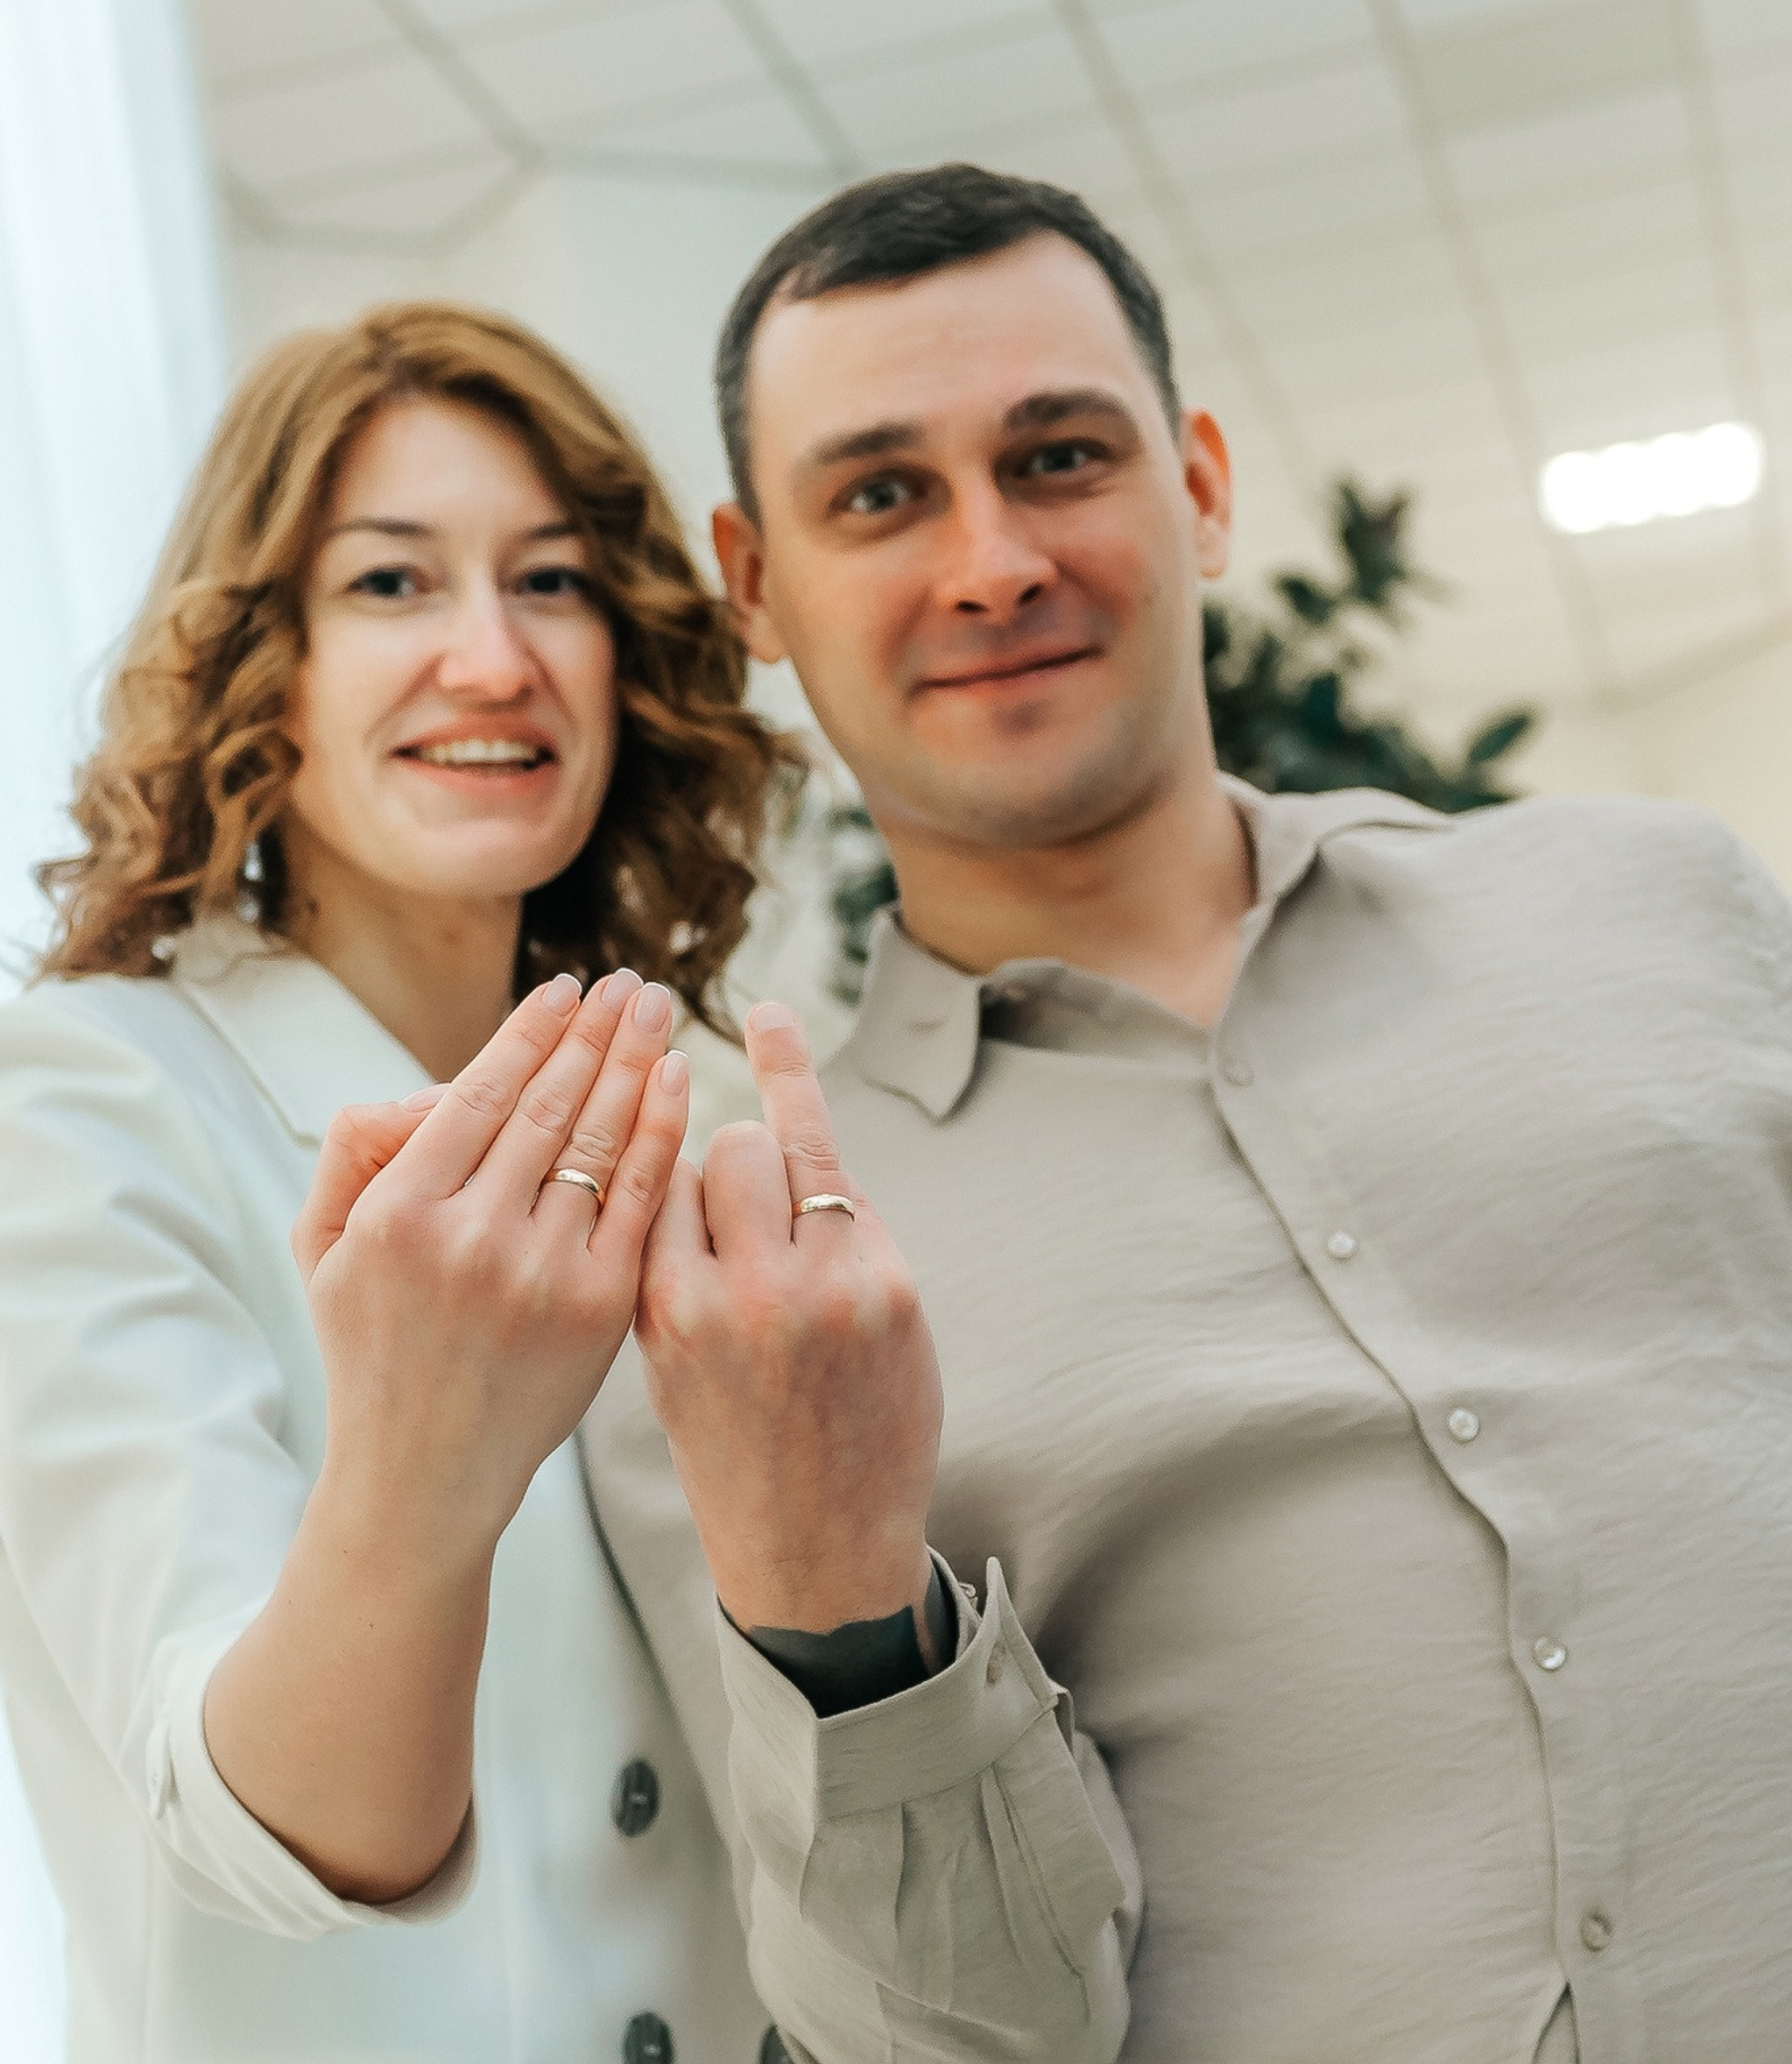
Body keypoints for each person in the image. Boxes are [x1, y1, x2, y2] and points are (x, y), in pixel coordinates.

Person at [582, 165, 1792, 2064]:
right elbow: (945, 2045)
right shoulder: (727, 1280)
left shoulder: (1666, 907)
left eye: (1056, 455)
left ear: (1199, 484)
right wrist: (830, 1604)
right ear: (755, 584)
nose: (989, 560)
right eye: (880, 493)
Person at [0, 303, 810, 2063]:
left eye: (551, 582)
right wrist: (432, 1452)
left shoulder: (700, 1104)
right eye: (392, 585)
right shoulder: (77, 1096)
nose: (492, 657)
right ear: (269, 664)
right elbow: (266, 1816)